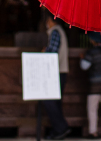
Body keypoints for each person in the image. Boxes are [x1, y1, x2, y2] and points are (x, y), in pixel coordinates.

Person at [42, 12, 71, 140]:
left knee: (49, 100)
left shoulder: (55, 32)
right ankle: (60, 129)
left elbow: (52, 52)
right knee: (55, 102)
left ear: (50, 20)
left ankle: (61, 127)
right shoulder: (59, 31)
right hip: (61, 71)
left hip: (56, 72)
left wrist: (44, 51)